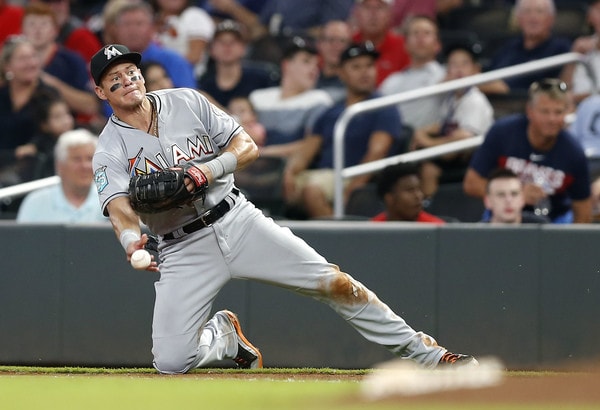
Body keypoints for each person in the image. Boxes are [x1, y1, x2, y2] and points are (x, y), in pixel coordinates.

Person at [90, 43, 477, 374]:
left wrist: (207, 171)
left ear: (141, 74)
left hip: (237, 221)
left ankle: (431, 356)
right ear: (100, 92)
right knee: (171, 362)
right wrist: (129, 241)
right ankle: (222, 337)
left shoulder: (187, 101)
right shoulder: (110, 147)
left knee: (334, 283)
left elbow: (247, 147)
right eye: (115, 79)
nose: (127, 81)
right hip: (180, 247)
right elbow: (118, 205)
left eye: (131, 71)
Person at [283, 42, 402, 219]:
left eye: (369, 66)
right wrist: (290, 172)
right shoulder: (331, 111)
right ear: (341, 73)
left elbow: (377, 152)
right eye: (356, 67)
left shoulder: (384, 107)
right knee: (277, 187)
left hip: (351, 175)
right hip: (324, 174)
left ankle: (338, 243)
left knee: (312, 191)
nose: (365, 72)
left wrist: (352, 188)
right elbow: (308, 148)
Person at [463, 78, 592, 224]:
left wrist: (571, 244)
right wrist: (518, 195)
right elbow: (471, 184)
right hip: (503, 216)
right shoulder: (503, 133)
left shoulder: (573, 152)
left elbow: (583, 210)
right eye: (545, 111)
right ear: (529, 111)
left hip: (554, 220)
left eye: (558, 112)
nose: (552, 119)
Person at [410, 42, 494, 198]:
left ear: (476, 70)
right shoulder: (452, 97)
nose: (459, 70)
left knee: (429, 167)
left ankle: (429, 209)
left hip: (474, 158)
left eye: (465, 63)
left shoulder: (475, 99)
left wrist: (427, 142)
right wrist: (422, 132)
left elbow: (462, 141)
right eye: (453, 64)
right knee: (413, 153)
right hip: (453, 154)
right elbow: (442, 125)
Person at [249, 37, 333, 158]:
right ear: (286, 65)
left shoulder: (319, 99)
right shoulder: (258, 98)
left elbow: (312, 145)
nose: (314, 69)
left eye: (317, 64)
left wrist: (266, 153)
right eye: (306, 61)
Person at [21, 3, 100, 121]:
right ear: (22, 30)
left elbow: (91, 106)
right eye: (32, 24)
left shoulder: (72, 60)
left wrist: (50, 83)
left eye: (44, 24)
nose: (37, 30)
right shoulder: (12, 62)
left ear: (55, 31)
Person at [0, 35, 61, 185]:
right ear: (7, 66)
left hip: (37, 168)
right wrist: (14, 154)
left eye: (33, 57)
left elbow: (54, 133)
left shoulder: (48, 94)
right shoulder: (2, 96)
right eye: (23, 59)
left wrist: (33, 147)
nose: (31, 63)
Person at [480, 0, 572, 94]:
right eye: (527, 11)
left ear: (551, 18)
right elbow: (487, 76)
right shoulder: (508, 47)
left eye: (539, 11)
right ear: (518, 18)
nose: (533, 18)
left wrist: (503, 88)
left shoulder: (561, 48)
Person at [17, 128, 106, 223]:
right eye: (77, 159)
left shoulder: (112, 202)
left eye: (90, 159)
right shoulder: (35, 203)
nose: (85, 166)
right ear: (59, 165)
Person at [378, 15, 445, 129]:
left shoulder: (445, 75)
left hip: (430, 141)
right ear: (405, 45)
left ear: (437, 45)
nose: (420, 38)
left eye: (427, 33)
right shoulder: (392, 81)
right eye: (415, 33)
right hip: (395, 140)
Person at [111, 0, 196, 89]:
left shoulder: (174, 61)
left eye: (139, 24)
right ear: (116, 30)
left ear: (152, 27)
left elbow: (188, 98)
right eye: (127, 24)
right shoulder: (111, 66)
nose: (132, 30)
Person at [198, 19, 278, 108]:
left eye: (233, 41)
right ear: (211, 49)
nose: (227, 46)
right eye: (221, 41)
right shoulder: (203, 83)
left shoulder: (262, 79)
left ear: (244, 48)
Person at [351, 0, 411, 86]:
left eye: (379, 7)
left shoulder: (405, 47)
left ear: (390, 14)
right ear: (357, 13)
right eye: (367, 7)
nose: (373, 14)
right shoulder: (347, 44)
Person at [151, 0, 215, 79]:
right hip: (153, 79)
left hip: (190, 80)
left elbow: (194, 56)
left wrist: (162, 74)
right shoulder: (148, 18)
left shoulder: (194, 15)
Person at [371, 163, 447, 223]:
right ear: (389, 198)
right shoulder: (372, 230)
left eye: (419, 189)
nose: (418, 196)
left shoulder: (436, 229)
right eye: (410, 190)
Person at [31, 0, 103, 63]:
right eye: (46, 1)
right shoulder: (25, 35)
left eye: (57, 1)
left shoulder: (81, 36)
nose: (52, 7)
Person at [561, 0, 600, 104]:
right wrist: (574, 55)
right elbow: (564, 87)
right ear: (589, 17)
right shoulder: (581, 47)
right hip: (572, 112)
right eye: (599, 10)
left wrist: (574, 98)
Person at [482, 168, 549, 224]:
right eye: (501, 194)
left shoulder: (542, 229)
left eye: (514, 194)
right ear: (488, 201)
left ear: (522, 199)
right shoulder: (476, 235)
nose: (508, 200)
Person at [315, 20, 353, 102]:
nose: (336, 46)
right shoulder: (309, 80)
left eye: (342, 41)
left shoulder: (355, 84)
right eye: (331, 40)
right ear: (319, 44)